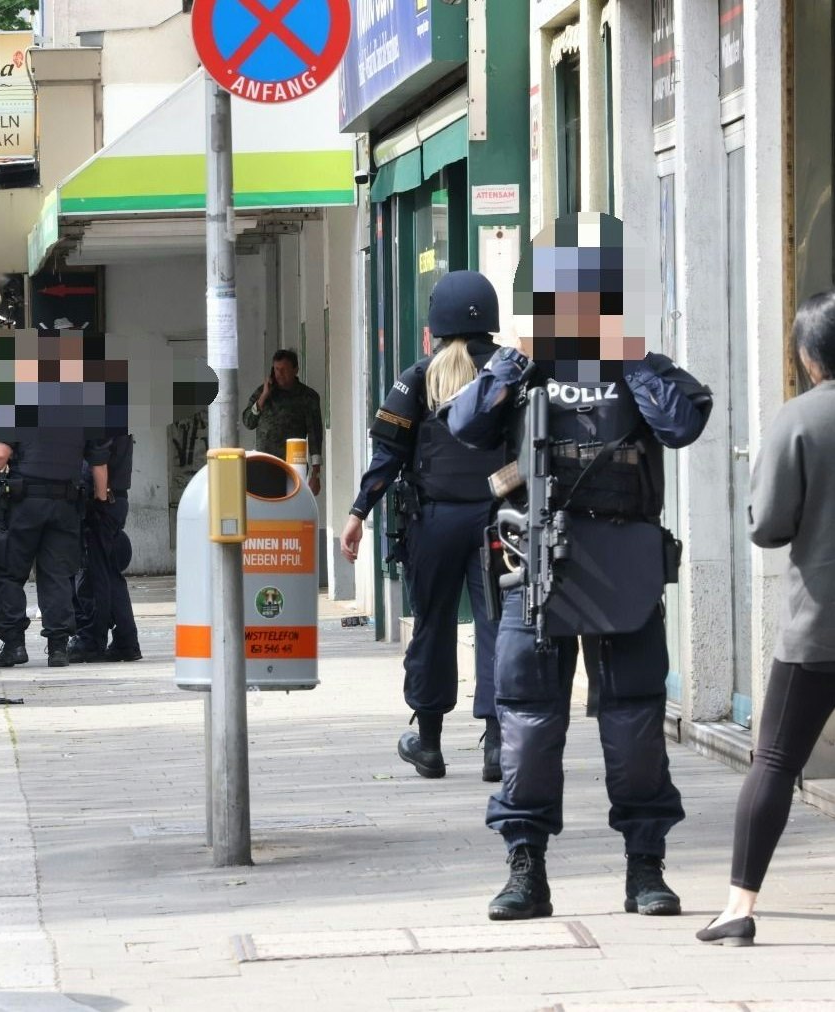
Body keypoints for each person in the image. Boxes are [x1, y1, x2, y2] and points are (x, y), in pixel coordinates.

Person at [447, 212, 713, 922]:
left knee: (633, 722)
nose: (576, 307)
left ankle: (645, 865)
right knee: (529, 723)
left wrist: (624, 357)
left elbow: (684, 424)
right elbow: (465, 427)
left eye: (590, 292)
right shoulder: (521, 364)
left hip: (622, 564)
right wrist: (511, 362)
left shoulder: (640, 366)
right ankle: (525, 865)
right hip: (533, 567)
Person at [695, 286, 835, 947]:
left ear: (816, 355)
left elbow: (769, 528)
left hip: (820, 627)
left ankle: (738, 909)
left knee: (775, 761)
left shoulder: (800, 418)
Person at [341, 271, 507, 782]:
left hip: (434, 523)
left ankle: (430, 743)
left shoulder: (420, 377)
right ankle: (498, 746)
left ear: (436, 323)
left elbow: (387, 455)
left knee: (432, 627)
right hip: (498, 521)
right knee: (498, 628)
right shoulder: (508, 372)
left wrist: (356, 514)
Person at [0, 436, 89, 668]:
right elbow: (96, 460)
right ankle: (58, 649)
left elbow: (0, 454)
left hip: (25, 504)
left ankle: (14, 646)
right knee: (57, 575)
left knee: (11, 573)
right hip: (66, 504)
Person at [68, 432, 140, 663]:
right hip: (112, 498)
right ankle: (126, 641)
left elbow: (98, 461)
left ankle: (93, 641)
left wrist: (98, 503)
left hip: (103, 499)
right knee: (109, 574)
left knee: (98, 575)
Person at [243, 349, 325, 494]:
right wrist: (263, 397)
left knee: (289, 510)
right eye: (276, 369)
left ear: (295, 370)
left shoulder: (308, 397)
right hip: (264, 464)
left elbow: (315, 438)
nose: (279, 374)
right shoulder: (264, 392)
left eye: (284, 370)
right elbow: (248, 422)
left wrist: (315, 474)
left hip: (292, 466)